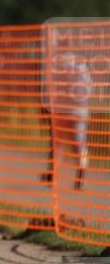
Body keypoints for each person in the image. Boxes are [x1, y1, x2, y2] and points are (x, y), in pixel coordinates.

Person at [41, 52, 92, 192]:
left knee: (58, 146)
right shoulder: (83, 72)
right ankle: (80, 178)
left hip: (64, 113)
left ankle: (52, 176)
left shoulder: (59, 71)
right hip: (78, 113)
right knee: (78, 147)